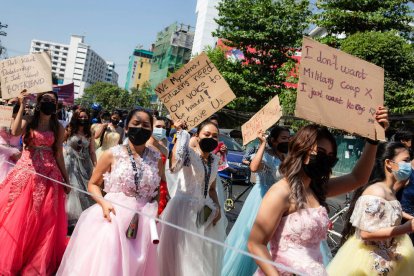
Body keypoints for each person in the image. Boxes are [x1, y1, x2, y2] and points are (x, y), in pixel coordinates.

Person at [248, 107, 388, 275]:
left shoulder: (317, 188)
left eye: (330, 156)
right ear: (302, 150)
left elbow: (358, 178)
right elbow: (256, 244)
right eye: (320, 153)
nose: (325, 160)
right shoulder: (280, 192)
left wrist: (373, 140)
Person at [58, 108, 162, 275]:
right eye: (136, 124)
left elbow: (158, 188)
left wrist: (156, 209)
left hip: (143, 222)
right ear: (126, 127)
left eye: (145, 125)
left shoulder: (156, 158)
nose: (140, 128)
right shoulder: (111, 154)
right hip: (113, 216)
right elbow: (93, 184)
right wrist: (104, 203)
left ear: (151, 130)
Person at [0, 91, 70, 275]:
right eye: (46, 100)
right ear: (39, 102)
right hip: (27, 170)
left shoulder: (58, 128)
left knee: (45, 218)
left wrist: (66, 178)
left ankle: (35, 259)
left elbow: (59, 154)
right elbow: (14, 132)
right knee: (18, 213)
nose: (49, 103)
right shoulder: (29, 121)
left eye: (53, 101)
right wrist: (22, 105)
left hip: (49, 175)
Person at [327, 142, 414, 275]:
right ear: (389, 163)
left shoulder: (389, 190)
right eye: (405, 160)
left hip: (387, 259)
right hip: (370, 262)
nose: (409, 165)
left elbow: (387, 211)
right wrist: (405, 228)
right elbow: (365, 233)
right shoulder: (376, 191)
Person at [158, 120, 226, 276]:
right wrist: (181, 134)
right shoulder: (188, 154)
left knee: (202, 256)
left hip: (206, 211)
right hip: (183, 211)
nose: (211, 138)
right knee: (185, 257)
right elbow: (174, 167)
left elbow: (213, 189)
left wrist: (218, 208)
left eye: (215, 136)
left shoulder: (215, 160)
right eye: (206, 134)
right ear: (197, 136)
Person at [222, 126, 290, 276]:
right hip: (262, 198)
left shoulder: (286, 156)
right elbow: (253, 167)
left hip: (282, 201)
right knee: (256, 237)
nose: (287, 141)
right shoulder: (266, 154)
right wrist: (262, 144)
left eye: (288, 138)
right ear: (274, 140)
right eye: (284, 138)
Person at [64, 107, 97, 228]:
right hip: (71, 164)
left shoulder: (90, 133)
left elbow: (92, 151)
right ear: (76, 117)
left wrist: (96, 166)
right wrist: (66, 152)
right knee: (74, 189)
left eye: (85, 117)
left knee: (84, 191)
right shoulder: (69, 129)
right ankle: (68, 218)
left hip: (85, 164)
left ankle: (82, 218)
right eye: (80, 117)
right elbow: (60, 144)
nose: (83, 119)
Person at [0, 101, 22, 183]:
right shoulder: (1, 118)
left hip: (16, 155)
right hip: (1, 153)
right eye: (11, 102)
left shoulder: (22, 122)